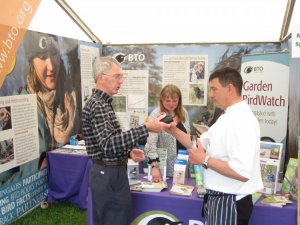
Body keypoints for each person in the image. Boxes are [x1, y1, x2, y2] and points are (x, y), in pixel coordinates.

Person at [168, 67, 263, 225]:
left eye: (214, 89)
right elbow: (198, 144)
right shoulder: (226, 118)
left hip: (230, 202)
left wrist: (204, 159)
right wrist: (172, 130)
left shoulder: (242, 121)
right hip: (219, 200)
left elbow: (242, 171)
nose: (210, 95)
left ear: (230, 88)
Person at [82, 56, 170, 225]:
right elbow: (107, 145)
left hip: (110, 172)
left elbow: (107, 142)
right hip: (107, 174)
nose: (121, 81)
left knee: (117, 217)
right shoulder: (98, 105)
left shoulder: (102, 103)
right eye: (117, 76)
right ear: (101, 77)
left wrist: (128, 151)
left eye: (121, 76)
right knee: (113, 219)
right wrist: (146, 128)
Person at [23, 31, 79, 169]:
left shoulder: (73, 99)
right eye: (42, 57)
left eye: (54, 54)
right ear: (31, 62)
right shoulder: (22, 106)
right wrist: (35, 169)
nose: (52, 67)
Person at [144, 84, 190, 182]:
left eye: (174, 101)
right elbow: (151, 143)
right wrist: (155, 167)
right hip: (164, 166)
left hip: (182, 164)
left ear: (179, 100)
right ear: (161, 100)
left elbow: (187, 137)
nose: (171, 104)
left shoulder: (184, 113)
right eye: (167, 100)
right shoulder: (156, 114)